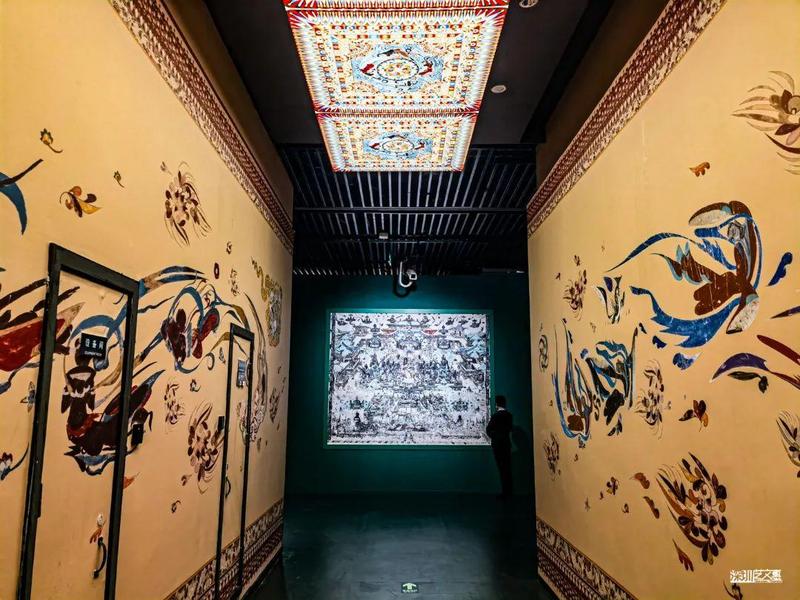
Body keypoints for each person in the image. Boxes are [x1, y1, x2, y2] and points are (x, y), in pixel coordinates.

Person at [486, 395, 513, 498]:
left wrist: (495, 436)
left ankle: (504, 493)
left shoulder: (495, 416)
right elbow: (510, 428)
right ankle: (509, 492)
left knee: (501, 468)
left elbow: (488, 429)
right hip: (506, 444)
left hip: (497, 445)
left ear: (496, 404)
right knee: (507, 468)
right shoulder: (509, 415)